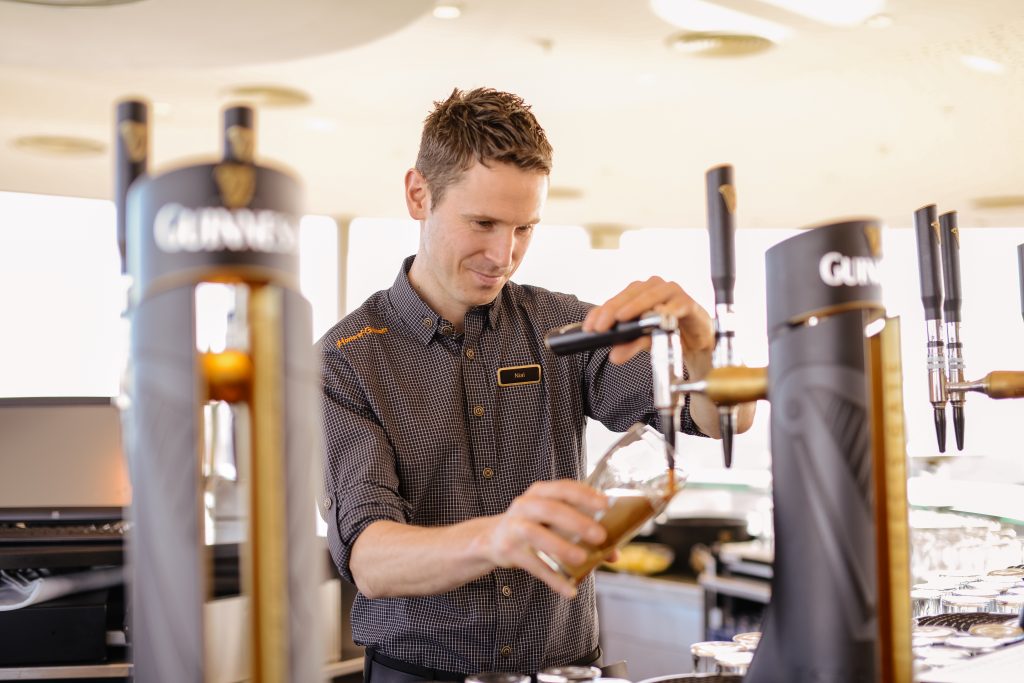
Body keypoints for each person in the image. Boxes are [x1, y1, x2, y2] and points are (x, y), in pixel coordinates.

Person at [318, 87, 755, 681]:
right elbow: (371, 557)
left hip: (566, 670)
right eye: (483, 223)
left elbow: (717, 419)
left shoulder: (561, 328)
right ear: (419, 194)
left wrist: (702, 347)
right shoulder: (345, 361)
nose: (504, 255)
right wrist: (498, 537)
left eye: (525, 228)